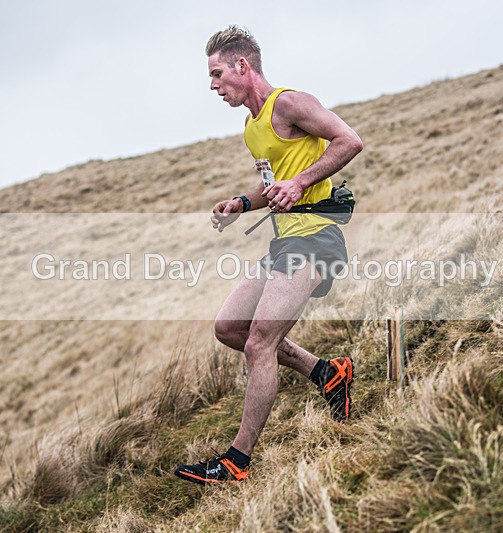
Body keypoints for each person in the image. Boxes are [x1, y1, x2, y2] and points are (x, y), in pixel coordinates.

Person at [174, 25, 363, 485]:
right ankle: (327, 372)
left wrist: (299, 184)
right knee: (230, 328)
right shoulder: (252, 127)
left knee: (260, 343)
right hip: (284, 243)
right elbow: (271, 183)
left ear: (243, 65)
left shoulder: (291, 103)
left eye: (218, 74)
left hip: (316, 239)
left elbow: (349, 141)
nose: (213, 85)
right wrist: (240, 204)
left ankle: (237, 461)